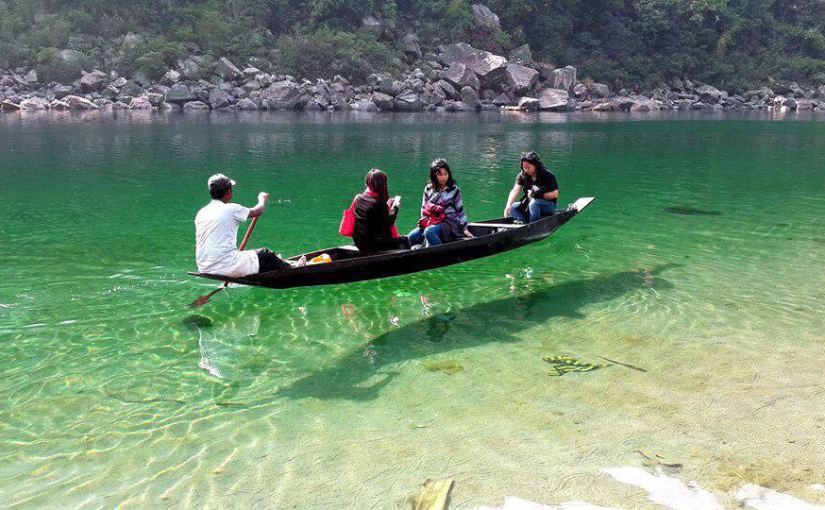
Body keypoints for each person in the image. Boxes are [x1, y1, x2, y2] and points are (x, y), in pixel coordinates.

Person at [195, 173, 300, 277]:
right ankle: (295, 268)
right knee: (266, 255)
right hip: (225, 266)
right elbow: (258, 211)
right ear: (228, 192)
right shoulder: (231, 209)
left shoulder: (201, 213)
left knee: (258, 257)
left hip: (204, 267)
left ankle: (279, 262)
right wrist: (262, 199)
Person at [408, 158, 472, 247]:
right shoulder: (428, 189)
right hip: (432, 220)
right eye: (440, 174)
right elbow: (423, 208)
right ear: (434, 175)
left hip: (449, 222)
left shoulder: (454, 190)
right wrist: (426, 222)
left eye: (446, 174)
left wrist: (464, 228)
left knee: (429, 232)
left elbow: (460, 210)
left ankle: (440, 254)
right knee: (412, 236)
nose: (444, 177)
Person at [352, 169, 409, 253]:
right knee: (405, 241)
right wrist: (395, 208)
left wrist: (386, 206)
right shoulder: (378, 204)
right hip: (373, 245)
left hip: (359, 242)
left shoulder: (359, 198)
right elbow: (387, 225)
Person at [503, 151, 559, 223]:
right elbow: (515, 191)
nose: (526, 170)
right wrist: (508, 205)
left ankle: (532, 225)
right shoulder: (522, 175)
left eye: (529, 167)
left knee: (534, 203)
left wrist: (537, 195)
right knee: (513, 207)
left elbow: (555, 194)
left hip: (549, 205)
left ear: (535, 165)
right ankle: (522, 224)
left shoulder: (547, 175)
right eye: (524, 168)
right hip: (530, 204)